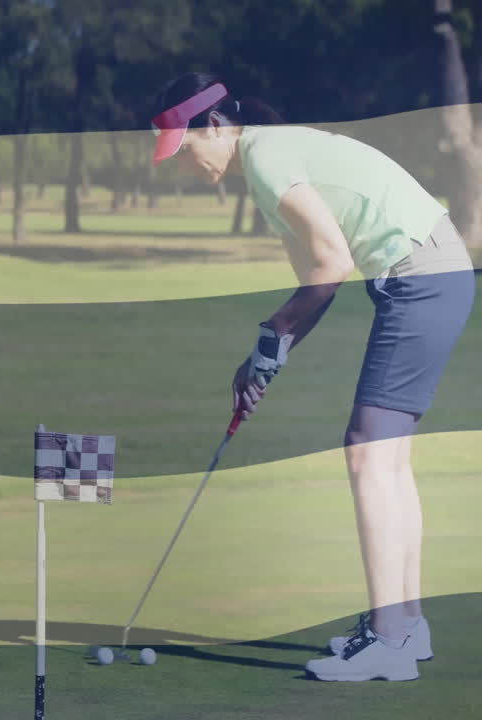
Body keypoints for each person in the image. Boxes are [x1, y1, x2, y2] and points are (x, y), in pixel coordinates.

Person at [151, 73, 474, 681]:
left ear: (214, 126)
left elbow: (331, 265)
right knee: (387, 457)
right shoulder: (271, 159)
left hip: (421, 277)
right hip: (434, 274)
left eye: (186, 149)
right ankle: (406, 624)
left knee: (366, 453)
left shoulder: (268, 157)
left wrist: (267, 341)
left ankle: (391, 640)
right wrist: (267, 359)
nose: (184, 165)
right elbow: (314, 290)